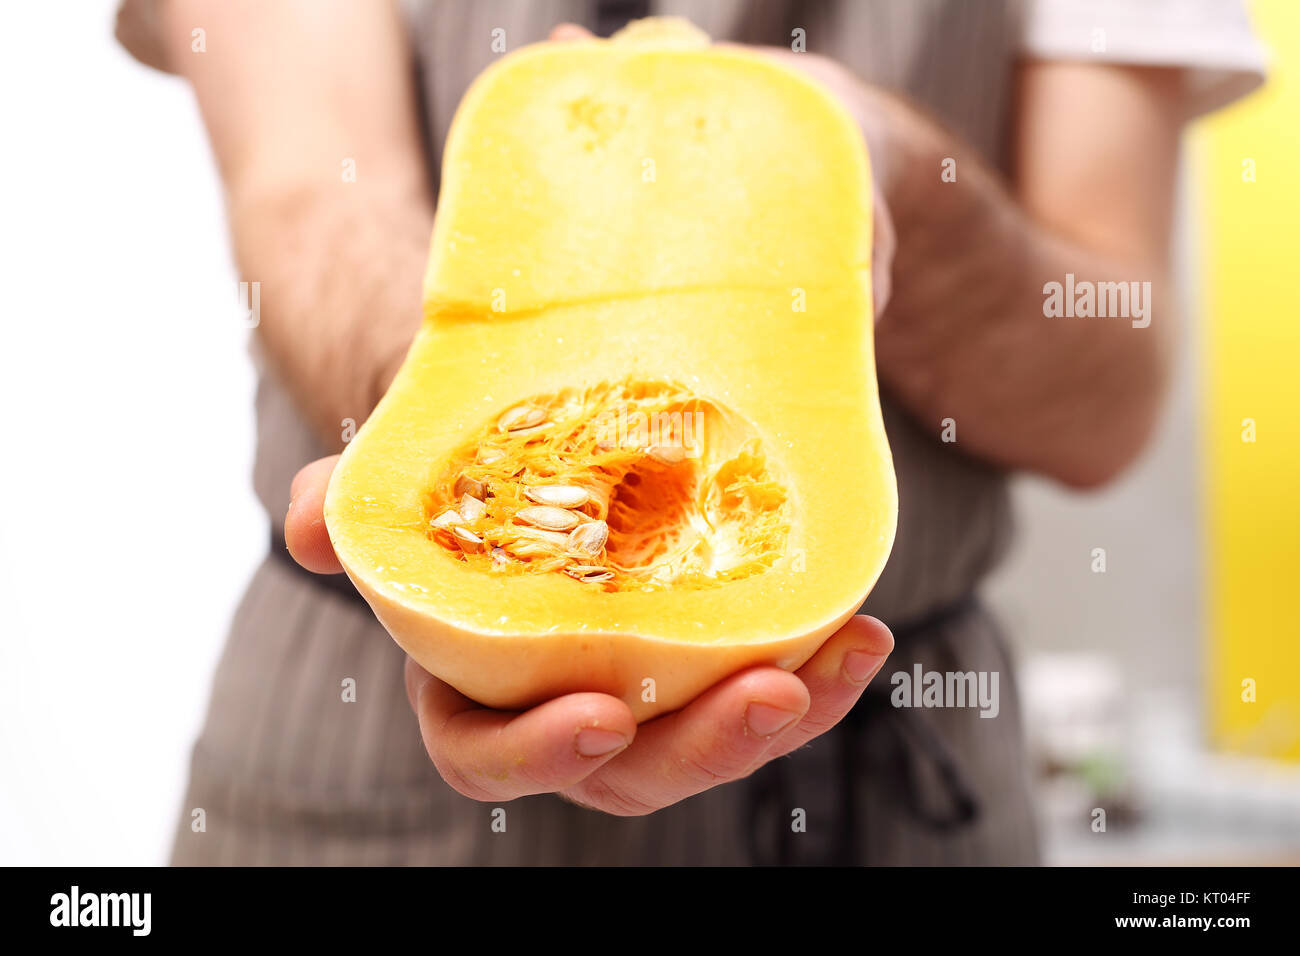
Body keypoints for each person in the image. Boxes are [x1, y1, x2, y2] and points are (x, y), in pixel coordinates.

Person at [117, 0, 1265, 865]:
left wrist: (878, 169)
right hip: (359, 747)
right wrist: (454, 438)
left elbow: (1106, 394)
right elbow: (311, 191)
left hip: (884, 769)